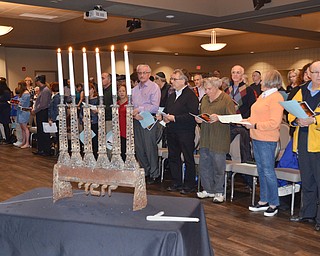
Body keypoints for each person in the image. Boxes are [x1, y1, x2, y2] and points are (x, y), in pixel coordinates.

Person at [244, 70, 284, 217]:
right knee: (261, 170)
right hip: (257, 137)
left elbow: (274, 123)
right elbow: (256, 115)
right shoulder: (263, 95)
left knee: (268, 171)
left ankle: (274, 203)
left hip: (267, 139)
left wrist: (254, 125)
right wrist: (246, 121)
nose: (260, 82)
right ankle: (264, 200)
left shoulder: (276, 97)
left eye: (262, 80)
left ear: (270, 81)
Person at [288, 61, 320, 231]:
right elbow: (291, 111)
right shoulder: (302, 90)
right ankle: (307, 213)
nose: (319, 76)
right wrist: (297, 120)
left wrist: (314, 120)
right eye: (316, 72)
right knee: (307, 180)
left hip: (318, 142)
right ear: (309, 73)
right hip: (303, 140)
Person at [158, 69, 199, 194]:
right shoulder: (172, 95)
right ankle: (176, 182)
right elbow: (167, 109)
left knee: (187, 158)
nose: (172, 82)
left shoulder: (191, 96)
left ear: (183, 81)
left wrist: (174, 118)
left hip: (185, 131)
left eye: (174, 79)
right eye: (171, 79)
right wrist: (162, 115)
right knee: (173, 157)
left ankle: (189, 184)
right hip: (172, 130)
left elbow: (192, 116)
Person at [196, 77, 235, 203]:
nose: (207, 91)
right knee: (204, 164)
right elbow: (202, 113)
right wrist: (199, 119)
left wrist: (219, 117)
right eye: (205, 89)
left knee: (218, 166)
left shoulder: (226, 99)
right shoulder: (205, 99)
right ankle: (208, 189)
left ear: (217, 87)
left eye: (209, 89)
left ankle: (219, 191)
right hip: (206, 136)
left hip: (219, 137)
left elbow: (232, 118)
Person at [132, 64, 161, 185]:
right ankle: (146, 172)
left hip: (149, 120)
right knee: (139, 148)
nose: (142, 75)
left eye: (144, 73)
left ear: (149, 74)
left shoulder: (154, 87)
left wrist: (140, 110)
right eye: (140, 73)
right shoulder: (134, 90)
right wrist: (134, 114)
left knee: (149, 148)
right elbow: (131, 105)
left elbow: (155, 106)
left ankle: (154, 174)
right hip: (136, 120)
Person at [225, 65, 256, 163]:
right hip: (229, 123)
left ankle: (246, 163)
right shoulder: (227, 90)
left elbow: (252, 107)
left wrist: (242, 120)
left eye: (238, 72)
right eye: (233, 72)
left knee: (243, 135)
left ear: (242, 75)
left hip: (243, 123)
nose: (235, 75)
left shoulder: (248, 90)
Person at [32, 75, 52, 156]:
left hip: (43, 112)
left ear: (38, 81)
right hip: (40, 112)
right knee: (40, 131)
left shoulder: (45, 90)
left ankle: (46, 150)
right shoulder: (42, 90)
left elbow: (43, 104)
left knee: (44, 131)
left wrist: (35, 110)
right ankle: (41, 149)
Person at [17, 81, 31, 149]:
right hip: (21, 111)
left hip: (24, 112)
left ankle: (27, 143)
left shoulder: (26, 93)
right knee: (22, 128)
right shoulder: (23, 93)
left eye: (19, 86)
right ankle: (23, 141)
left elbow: (22, 103)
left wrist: (17, 102)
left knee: (25, 128)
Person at [117, 84, 128, 161]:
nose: (121, 93)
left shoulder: (129, 103)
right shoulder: (116, 104)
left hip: (126, 129)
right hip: (118, 129)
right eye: (120, 91)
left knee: (125, 150)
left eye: (123, 91)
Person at [48, 82, 60, 148]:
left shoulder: (56, 97)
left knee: (58, 134)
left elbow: (55, 109)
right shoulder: (55, 96)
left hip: (56, 117)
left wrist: (52, 119)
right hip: (56, 117)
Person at [0, 78, 12, 144]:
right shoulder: (3, 91)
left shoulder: (6, 92)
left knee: (6, 125)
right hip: (2, 110)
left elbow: (8, 101)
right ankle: (5, 138)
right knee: (4, 125)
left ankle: (8, 139)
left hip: (5, 110)